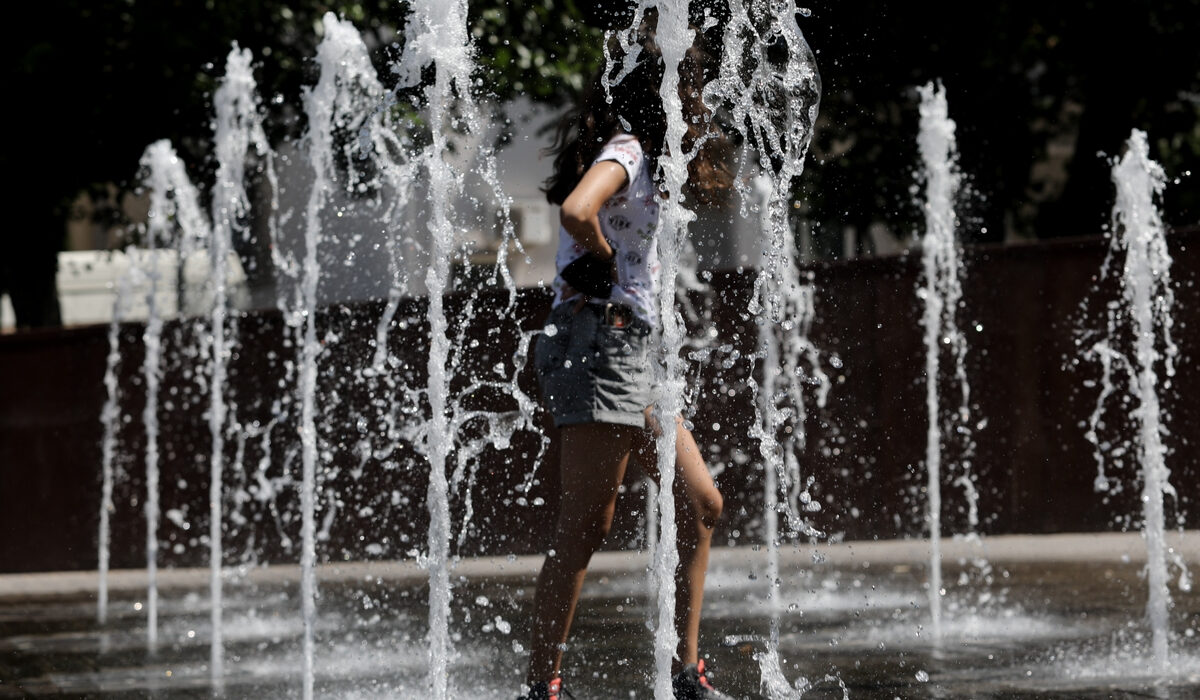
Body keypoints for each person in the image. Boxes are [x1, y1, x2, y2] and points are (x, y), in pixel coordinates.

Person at [519, 15, 734, 700]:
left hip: (628, 347)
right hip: (599, 342)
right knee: (587, 520)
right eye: (690, 85)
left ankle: (687, 673)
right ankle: (541, 686)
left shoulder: (649, 157)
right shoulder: (629, 148)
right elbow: (579, 211)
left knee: (700, 503)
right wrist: (606, 268)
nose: (698, 100)